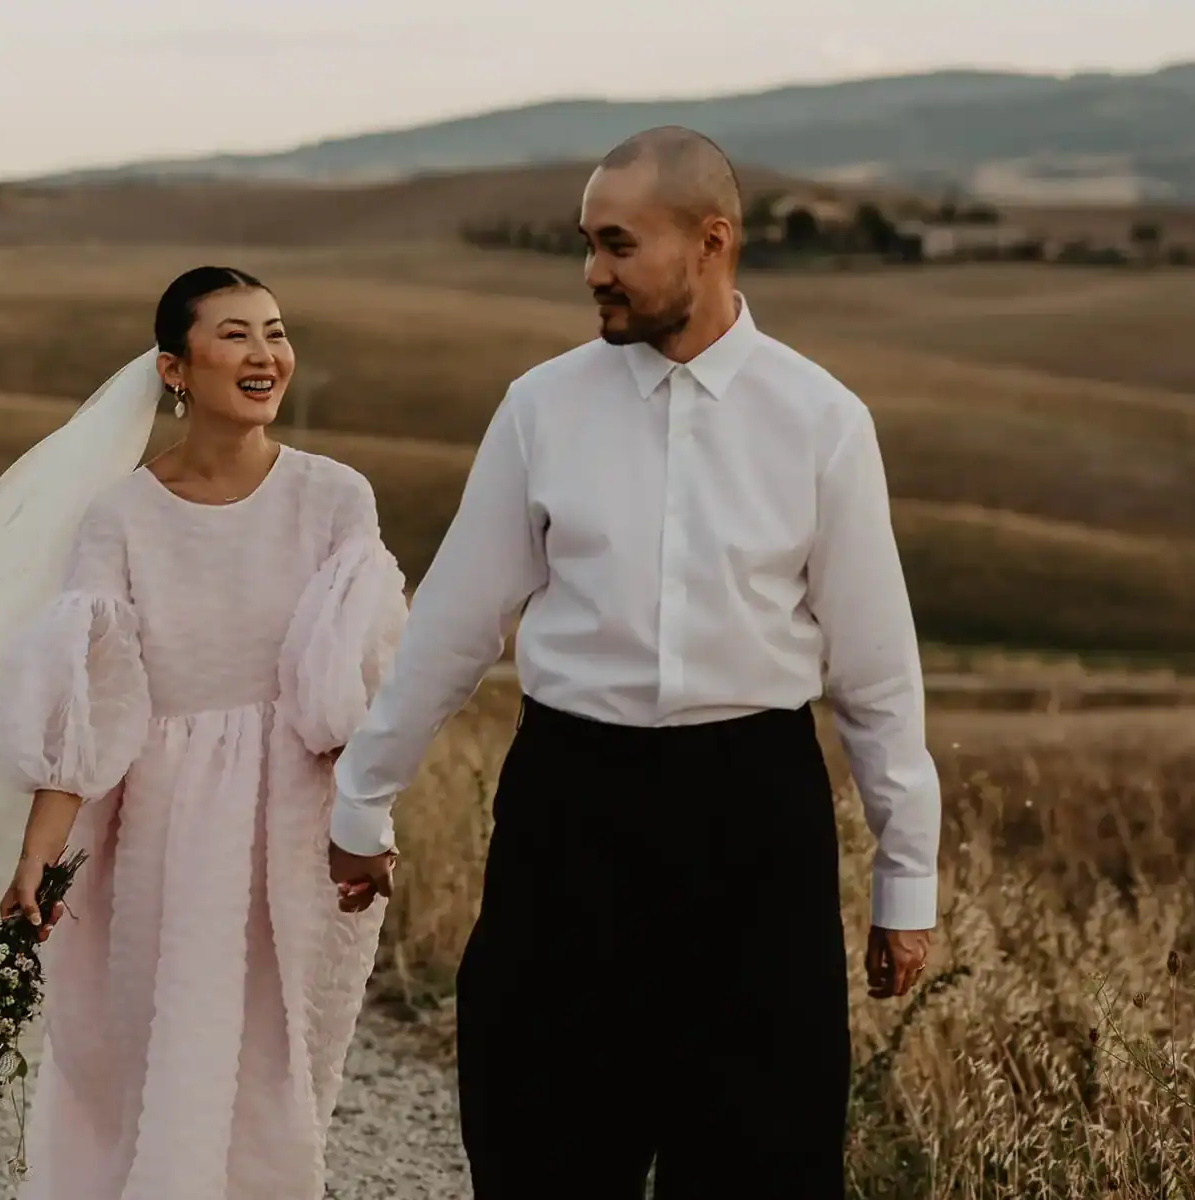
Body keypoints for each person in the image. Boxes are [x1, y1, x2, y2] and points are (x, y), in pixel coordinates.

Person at [326, 128, 942, 1198]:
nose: (590, 273)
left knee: (760, 1152)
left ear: (711, 242)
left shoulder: (823, 422)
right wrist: (362, 798)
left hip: (757, 824)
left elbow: (875, 674)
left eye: (616, 245)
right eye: (585, 244)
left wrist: (905, 877)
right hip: (571, 812)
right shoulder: (540, 408)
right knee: (540, 1139)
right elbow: (453, 628)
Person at [0, 266, 408, 1199]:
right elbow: (92, 696)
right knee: (161, 1058)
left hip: (293, 813)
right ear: (175, 368)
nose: (265, 354)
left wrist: (366, 823)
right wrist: (39, 853)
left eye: (275, 332)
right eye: (234, 334)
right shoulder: (119, 514)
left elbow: (352, 684)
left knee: (281, 1062)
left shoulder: (335, 498)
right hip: (160, 822)